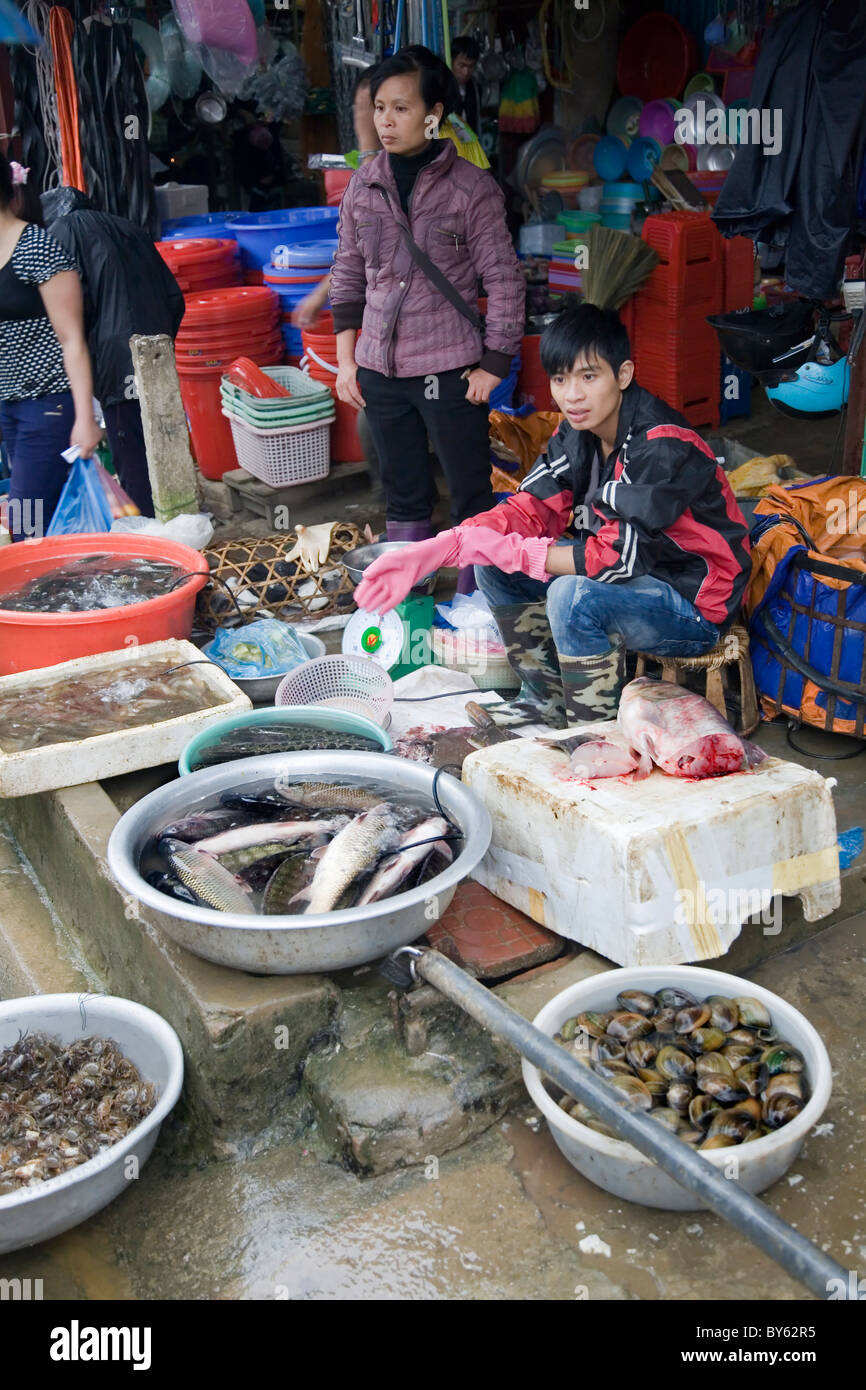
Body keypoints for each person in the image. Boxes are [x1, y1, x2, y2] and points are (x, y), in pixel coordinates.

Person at [355, 304, 751, 727]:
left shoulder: (659, 443)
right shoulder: (578, 432)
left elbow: (614, 559)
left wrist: (516, 553)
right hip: (636, 584)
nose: (572, 395)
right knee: (494, 567)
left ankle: (594, 730)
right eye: (560, 379)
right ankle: (543, 701)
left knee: (571, 595)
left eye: (588, 376)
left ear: (623, 375)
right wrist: (442, 547)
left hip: (694, 605)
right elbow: (531, 507)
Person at [329, 45, 524, 591]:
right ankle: (408, 598)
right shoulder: (363, 186)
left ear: (434, 114)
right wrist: (346, 361)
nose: (385, 122)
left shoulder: (471, 188)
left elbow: (504, 280)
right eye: (379, 108)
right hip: (379, 371)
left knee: (468, 490)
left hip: (449, 369)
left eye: (401, 109)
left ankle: (475, 602)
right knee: (403, 490)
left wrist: (493, 365)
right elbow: (346, 276)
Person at [41, 187, 186, 516]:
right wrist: (160, 340)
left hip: (113, 358)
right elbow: (174, 297)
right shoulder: (130, 228)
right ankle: (174, 518)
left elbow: (73, 310)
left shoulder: (60, 234)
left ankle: (149, 534)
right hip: (155, 352)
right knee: (162, 441)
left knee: (131, 450)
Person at [0, 153, 102, 542]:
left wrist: (85, 417)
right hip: (9, 404)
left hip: (48, 404)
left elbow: (72, 339)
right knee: (34, 515)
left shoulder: (37, 248)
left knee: (25, 520)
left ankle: (37, 595)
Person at [450, 36, 482, 138]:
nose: (466, 72)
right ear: (451, 61)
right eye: (461, 65)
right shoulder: (442, 87)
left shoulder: (476, 88)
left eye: (471, 66)